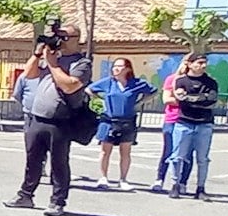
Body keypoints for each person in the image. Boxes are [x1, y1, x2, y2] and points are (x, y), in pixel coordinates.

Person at [3, 24, 91, 216]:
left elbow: (70, 86)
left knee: (59, 163)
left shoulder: (82, 64)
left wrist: (52, 64)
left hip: (61, 120)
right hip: (37, 118)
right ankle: (25, 195)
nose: (60, 40)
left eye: (64, 37)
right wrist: (37, 54)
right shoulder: (52, 58)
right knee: (32, 160)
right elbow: (29, 75)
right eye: (58, 36)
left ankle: (57, 202)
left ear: (77, 39)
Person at [88, 58, 155, 190]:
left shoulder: (136, 83)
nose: (116, 69)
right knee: (105, 151)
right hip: (109, 120)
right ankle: (103, 178)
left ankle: (123, 179)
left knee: (125, 152)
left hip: (127, 121)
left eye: (119, 66)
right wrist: (100, 100)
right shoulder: (108, 83)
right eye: (114, 66)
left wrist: (140, 102)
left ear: (128, 69)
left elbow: (153, 91)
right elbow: (89, 89)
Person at [168, 53, 219, 200]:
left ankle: (200, 188)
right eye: (199, 62)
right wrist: (200, 98)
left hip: (204, 123)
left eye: (204, 63)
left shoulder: (211, 82)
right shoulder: (181, 81)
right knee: (178, 156)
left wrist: (192, 98)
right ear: (189, 64)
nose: (203, 65)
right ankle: (175, 185)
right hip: (184, 122)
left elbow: (211, 100)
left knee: (202, 158)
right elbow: (181, 98)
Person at [152, 64, 195, 193]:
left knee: (187, 153)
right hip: (172, 119)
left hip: (190, 119)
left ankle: (182, 182)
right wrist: (187, 100)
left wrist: (189, 100)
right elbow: (166, 99)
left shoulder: (198, 82)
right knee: (168, 150)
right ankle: (159, 179)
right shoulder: (172, 79)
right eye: (185, 63)